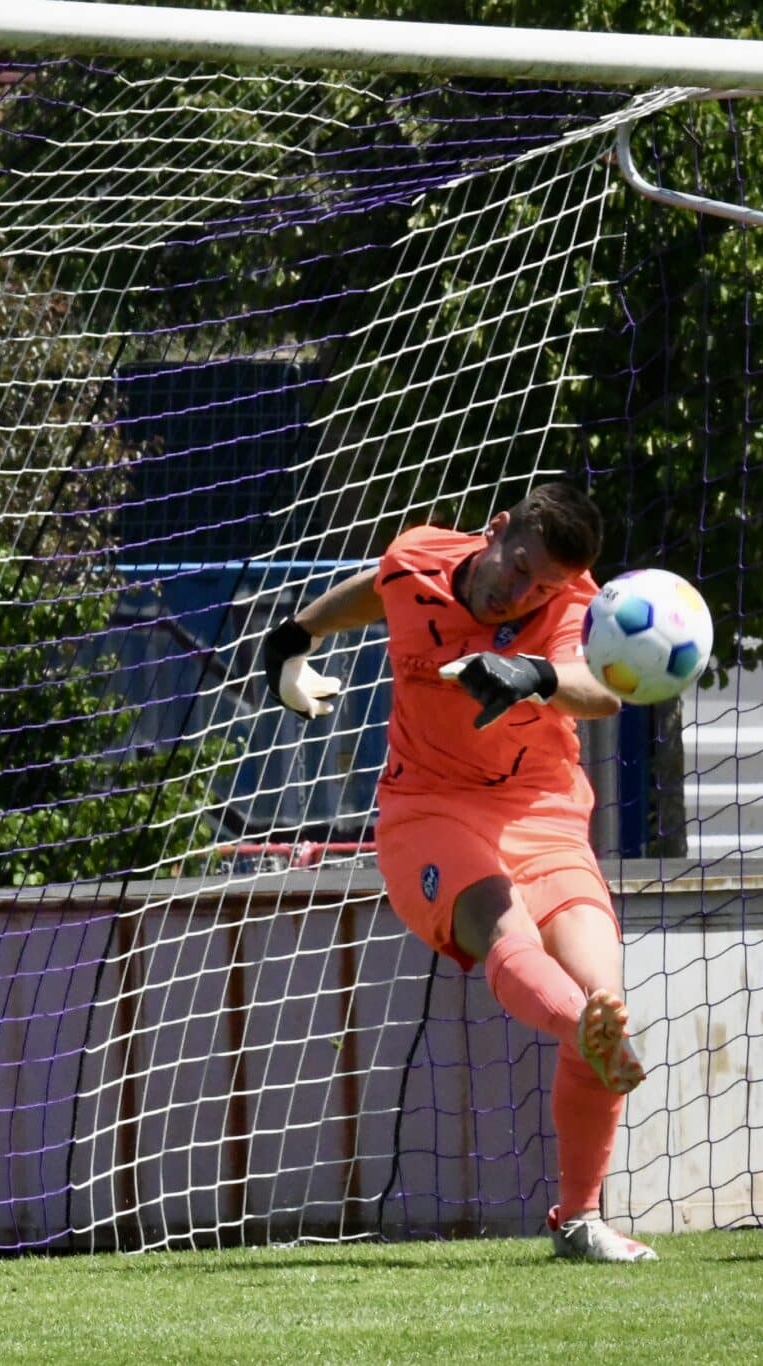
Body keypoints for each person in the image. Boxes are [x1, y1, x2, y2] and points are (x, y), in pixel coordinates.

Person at [261, 481, 658, 1262]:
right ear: (497, 529)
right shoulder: (418, 559)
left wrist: (535, 676)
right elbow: (376, 591)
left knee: (603, 994)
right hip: (429, 815)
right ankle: (581, 1026)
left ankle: (579, 1221)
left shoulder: (571, 605)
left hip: (543, 818)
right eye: (518, 568)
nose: (521, 591)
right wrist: (293, 638)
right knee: (520, 947)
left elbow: (602, 693)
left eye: (541, 585)